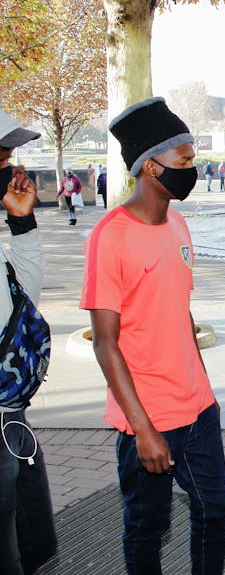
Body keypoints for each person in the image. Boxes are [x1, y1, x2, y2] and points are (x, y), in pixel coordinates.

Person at [80, 97, 225, 574]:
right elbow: (105, 342)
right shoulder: (110, 236)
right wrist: (143, 429)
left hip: (198, 409)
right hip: (147, 417)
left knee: (215, 511)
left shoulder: (179, 224)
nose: (192, 171)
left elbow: (180, 313)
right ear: (150, 166)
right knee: (148, 527)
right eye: (183, 162)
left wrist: (207, 391)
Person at [0, 110, 57, 575]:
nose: (11, 167)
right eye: (1, 157)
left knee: (32, 538)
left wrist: (22, 225)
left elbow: (24, 302)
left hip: (10, 413)